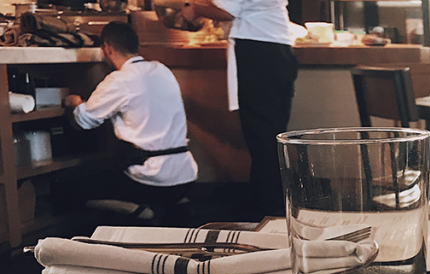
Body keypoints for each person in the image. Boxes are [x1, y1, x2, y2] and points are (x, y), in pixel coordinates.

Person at [62, 21, 198, 223]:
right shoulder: (162, 70)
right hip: (186, 177)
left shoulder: (120, 79)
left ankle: (138, 210)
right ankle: (176, 204)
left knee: (68, 189)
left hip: (150, 180)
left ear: (107, 48)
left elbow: (83, 122)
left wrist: (74, 103)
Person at [181, 0, 297, 219]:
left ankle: (270, 206)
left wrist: (195, 9)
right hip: (279, 48)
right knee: (270, 132)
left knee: (261, 134)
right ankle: (261, 199)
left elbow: (227, 11)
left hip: (258, 50)